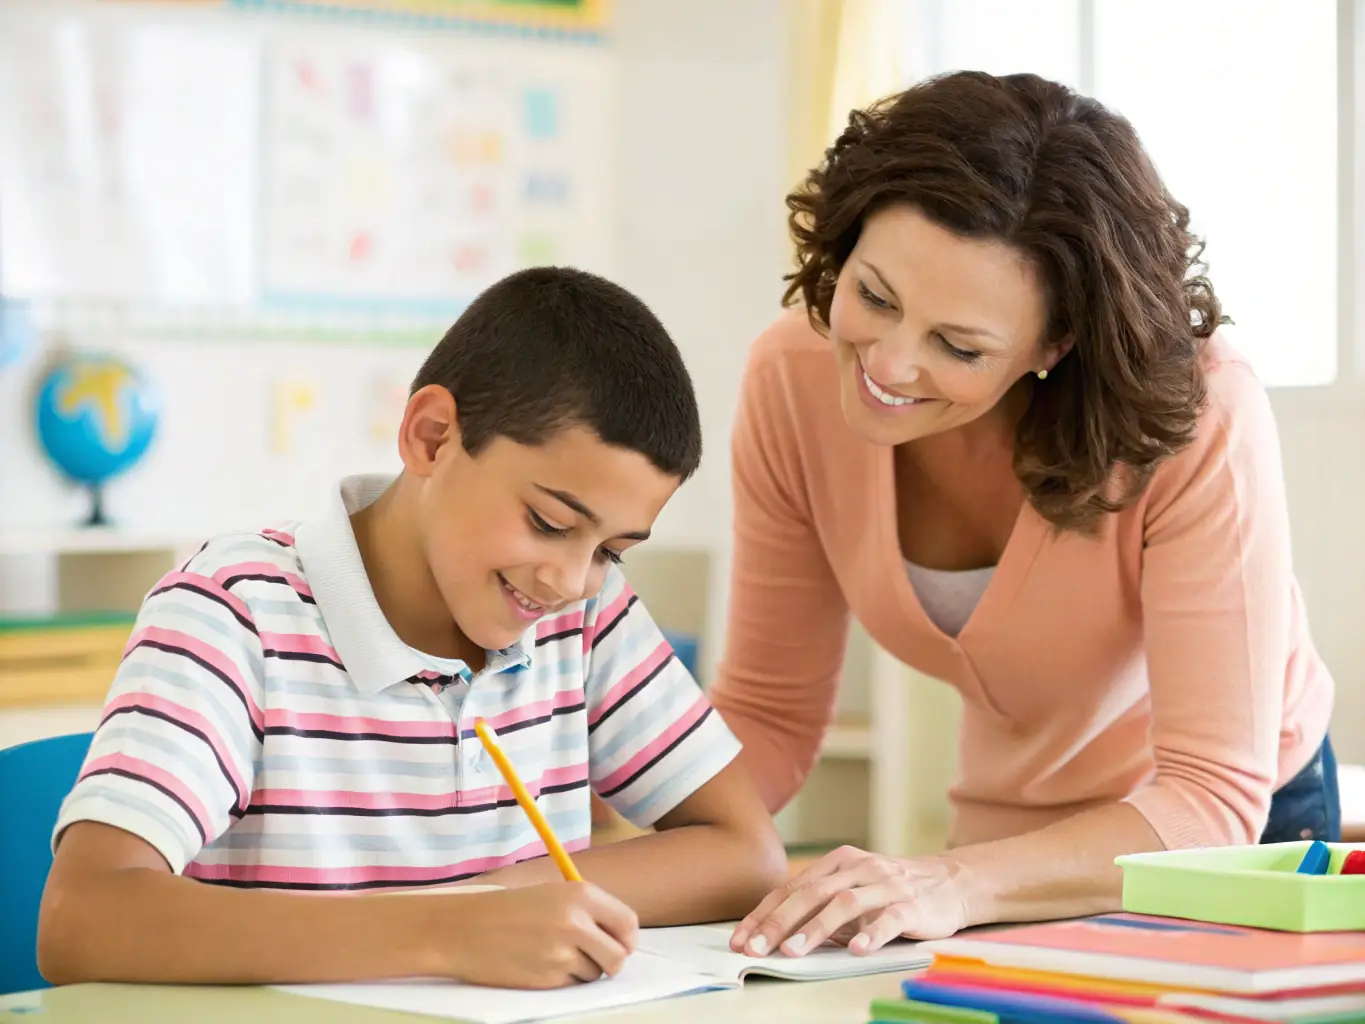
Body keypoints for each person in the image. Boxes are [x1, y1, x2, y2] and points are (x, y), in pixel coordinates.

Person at [709, 71, 1338, 960]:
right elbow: (766, 715)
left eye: (958, 346)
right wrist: (605, 833)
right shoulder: (792, 378)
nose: (886, 364)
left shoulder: (1199, 413)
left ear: (1054, 345)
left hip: (1225, 823)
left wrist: (954, 881)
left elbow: (1208, 797)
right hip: (1008, 836)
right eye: (875, 296)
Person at [38, 267, 786, 990]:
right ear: (431, 437)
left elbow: (745, 853)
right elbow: (84, 918)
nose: (569, 578)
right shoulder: (235, 610)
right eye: (548, 522)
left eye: (611, 550)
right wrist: (446, 930)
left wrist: (492, 904)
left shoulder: (586, 618)